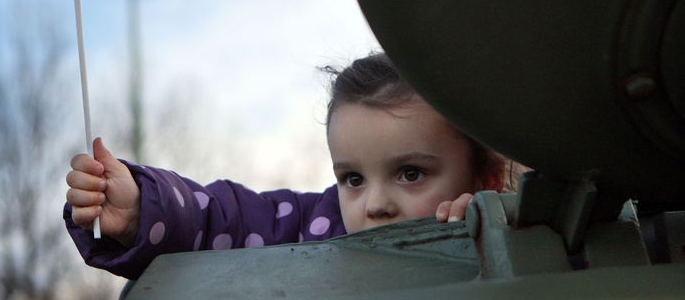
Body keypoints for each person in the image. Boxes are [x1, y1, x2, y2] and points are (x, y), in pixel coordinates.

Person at [65, 52, 508, 279]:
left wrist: (489, 228)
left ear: (485, 176)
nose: (374, 204)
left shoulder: (518, 242)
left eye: (410, 173)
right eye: (352, 178)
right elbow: (224, 220)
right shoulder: (314, 227)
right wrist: (144, 209)